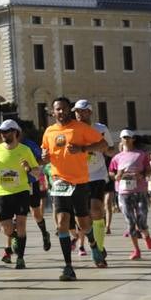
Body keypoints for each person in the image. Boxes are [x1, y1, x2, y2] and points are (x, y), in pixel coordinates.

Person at [41, 96, 109, 281]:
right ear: (53, 112)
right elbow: (45, 155)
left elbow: (103, 145)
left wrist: (82, 149)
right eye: (57, 109)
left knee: (83, 223)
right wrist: (44, 158)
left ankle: (93, 245)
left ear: (69, 110)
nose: (61, 112)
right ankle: (68, 267)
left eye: (64, 108)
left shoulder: (80, 128)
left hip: (79, 181)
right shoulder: (49, 131)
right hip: (59, 182)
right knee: (62, 222)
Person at [0, 120, 39, 269]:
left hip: (21, 191)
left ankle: (20, 258)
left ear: (15, 132)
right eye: (1, 132)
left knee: (21, 224)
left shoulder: (25, 150)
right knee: (7, 228)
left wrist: (28, 168)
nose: (3, 134)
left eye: (6, 131)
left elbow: (37, 172)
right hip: (3, 192)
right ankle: (16, 237)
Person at [73, 100, 114, 265]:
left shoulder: (101, 129)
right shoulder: (72, 130)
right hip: (78, 176)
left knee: (96, 209)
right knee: (83, 216)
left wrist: (105, 149)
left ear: (90, 112)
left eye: (82, 111)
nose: (79, 114)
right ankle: (92, 243)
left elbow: (111, 149)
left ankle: (99, 248)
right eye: (76, 111)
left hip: (97, 174)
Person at [108, 129, 151, 259]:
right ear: (121, 140)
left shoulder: (141, 154)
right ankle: (136, 250)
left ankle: (146, 235)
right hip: (123, 192)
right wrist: (117, 175)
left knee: (141, 220)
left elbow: (149, 171)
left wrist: (141, 175)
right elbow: (111, 172)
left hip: (139, 191)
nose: (126, 139)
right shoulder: (117, 157)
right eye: (124, 137)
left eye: (128, 137)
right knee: (130, 222)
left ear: (133, 139)